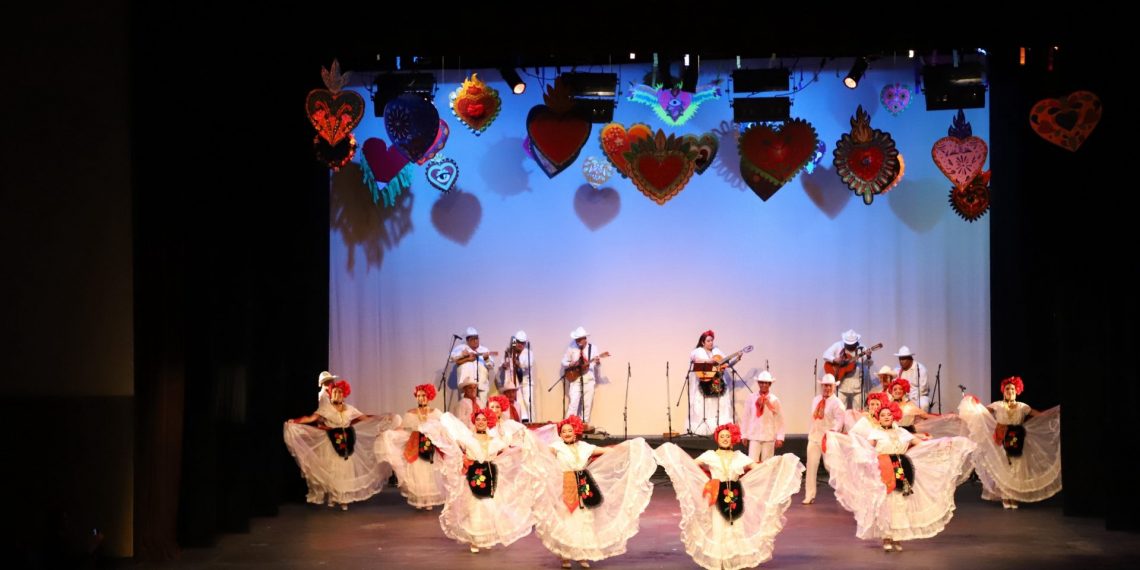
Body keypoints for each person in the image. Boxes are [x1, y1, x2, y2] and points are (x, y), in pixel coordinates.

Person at [823, 402, 975, 552]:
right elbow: (863, 447)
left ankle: (896, 537)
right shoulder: (875, 433)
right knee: (886, 502)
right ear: (879, 418)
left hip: (900, 467)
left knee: (900, 502)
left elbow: (921, 444)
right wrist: (839, 439)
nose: (886, 417)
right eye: (883, 415)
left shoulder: (902, 432)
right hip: (884, 467)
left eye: (889, 414)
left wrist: (942, 443)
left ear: (894, 416)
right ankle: (887, 537)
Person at [654, 423, 804, 570]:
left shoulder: (739, 456)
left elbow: (757, 468)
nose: (725, 439)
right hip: (717, 494)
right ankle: (720, 561)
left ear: (732, 438)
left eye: (727, 436)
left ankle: (735, 560)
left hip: (734, 494)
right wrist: (676, 461)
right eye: (722, 436)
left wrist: (776, 464)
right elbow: (691, 465)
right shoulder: (710, 455)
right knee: (719, 525)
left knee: (735, 526)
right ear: (717, 439)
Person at [533, 415, 656, 569]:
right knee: (567, 520)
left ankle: (582, 555)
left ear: (575, 431)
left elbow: (607, 451)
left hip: (583, 483)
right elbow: (541, 451)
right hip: (567, 485)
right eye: (563, 431)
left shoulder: (584, 447)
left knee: (585, 519)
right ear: (560, 434)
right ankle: (565, 555)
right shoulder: (557, 447)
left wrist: (627, 447)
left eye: (569, 430)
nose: (567, 433)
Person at [419, 408, 540, 554]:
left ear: (488, 421)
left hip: (490, 475)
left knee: (489, 508)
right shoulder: (466, 439)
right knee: (474, 508)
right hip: (472, 476)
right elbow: (452, 442)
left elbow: (508, 450)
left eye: (483, 420)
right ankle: (475, 540)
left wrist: (524, 446)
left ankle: (486, 538)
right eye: (478, 420)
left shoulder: (496, 441)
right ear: (474, 422)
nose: (481, 422)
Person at [284, 380, 396, 510]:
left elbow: (365, 417)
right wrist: (295, 421)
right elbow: (310, 418)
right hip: (331, 443)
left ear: (344, 394)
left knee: (345, 470)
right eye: (335, 392)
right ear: (331, 394)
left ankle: (343, 499)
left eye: (340, 392)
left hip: (347, 442)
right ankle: (334, 496)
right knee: (334, 470)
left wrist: (382, 417)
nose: (337, 394)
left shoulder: (350, 409)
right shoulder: (325, 409)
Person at [958, 376, 1062, 509]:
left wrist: (1054, 413)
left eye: (1012, 389)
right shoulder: (997, 405)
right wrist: (973, 404)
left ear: (1017, 390)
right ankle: (1006, 496)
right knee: (1004, 468)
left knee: (1016, 469)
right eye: (1007, 389)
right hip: (1001, 439)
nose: (1010, 391)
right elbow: (981, 413)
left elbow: (1040, 416)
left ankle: (1013, 496)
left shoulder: (1023, 407)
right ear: (1003, 391)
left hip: (1017, 440)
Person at [378, 383, 445, 510]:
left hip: (430, 446)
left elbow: (443, 428)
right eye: (418, 396)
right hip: (415, 444)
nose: (421, 398)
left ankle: (428, 500)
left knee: (429, 472)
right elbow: (402, 428)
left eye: (423, 395)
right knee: (417, 471)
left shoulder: (436, 413)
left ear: (429, 396)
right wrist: (388, 433)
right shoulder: (410, 413)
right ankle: (419, 499)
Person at [804, 374, 845, 505]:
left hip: (827, 438)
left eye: (829, 386)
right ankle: (809, 495)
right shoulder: (816, 399)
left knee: (830, 466)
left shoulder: (837, 403)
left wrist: (833, 431)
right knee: (811, 466)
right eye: (825, 385)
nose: (827, 388)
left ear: (834, 387)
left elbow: (840, 420)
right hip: (814, 437)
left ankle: (843, 493)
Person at [560, 327, 608, 426]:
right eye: (576, 339)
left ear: (585, 338)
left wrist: (598, 362)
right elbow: (563, 361)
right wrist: (570, 364)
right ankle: (568, 426)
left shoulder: (593, 348)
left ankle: (583, 426)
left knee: (587, 405)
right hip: (575, 379)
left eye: (579, 339)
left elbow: (596, 366)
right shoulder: (571, 347)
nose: (577, 341)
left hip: (589, 379)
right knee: (573, 403)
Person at [689, 330, 732, 435]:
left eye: (712, 340)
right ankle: (703, 429)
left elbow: (726, 364)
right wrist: (709, 361)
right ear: (703, 342)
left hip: (716, 382)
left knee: (717, 407)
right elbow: (695, 360)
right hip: (704, 383)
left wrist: (737, 359)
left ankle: (718, 429)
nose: (711, 343)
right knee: (705, 407)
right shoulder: (698, 351)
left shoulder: (717, 351)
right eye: (708, 341)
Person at [823, 329, 875, 411]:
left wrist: (868, 357)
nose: (850, 346)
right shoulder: (838, 345)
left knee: (857, 411)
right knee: (840, 410)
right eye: (848, 344)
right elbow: (825, 355)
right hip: (842, 384)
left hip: (857, 385)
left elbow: (868, 364)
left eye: (852, 344)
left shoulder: (862, 348)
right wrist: (835, 360)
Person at [740, 370, 784, 462]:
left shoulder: (774, 399)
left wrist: (780, 437)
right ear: (758, 383)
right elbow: (746, 416)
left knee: (767, 463)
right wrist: (744, 434)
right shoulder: (751, 398)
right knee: (752, 461)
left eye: (766, 383)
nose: (764, 385)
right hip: (754, 435)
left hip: (769, 435)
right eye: (761, 382)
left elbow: (779, 419)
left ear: (770, 384)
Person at [498, 330, 534, 422]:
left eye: (522, 343)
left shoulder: (528, 353)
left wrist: (518, 363)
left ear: (525, 343)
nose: (520, 344)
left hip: (525, 382)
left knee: (528, 403)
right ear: (515, 341)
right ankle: (518, 421)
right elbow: (501, 364)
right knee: (516, 403)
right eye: (518, 342)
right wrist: (504, 365)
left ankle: (532, 422)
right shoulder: (510, 352)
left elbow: (528, 364)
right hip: (514, 383)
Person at [451, 326, 495, 402]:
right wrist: (462, 355)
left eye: (477, 338)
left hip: (481, 386)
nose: (475, 341)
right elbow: (451, 359)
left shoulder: (484, 350)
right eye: (472, 339)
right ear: (467, 340)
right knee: (466, 406)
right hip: (466, 386)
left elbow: (491, 366)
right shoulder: (461, 348)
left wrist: (486, 359)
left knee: (482, 407)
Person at [893, 346, 930, 410]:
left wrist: (910, 400)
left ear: (910, 358)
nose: (901, 361)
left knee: (923, 404)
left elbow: (923, 390)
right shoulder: (898, 369)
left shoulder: (920, 369)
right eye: (900, 359)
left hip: (918, 397)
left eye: (903, 359)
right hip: (902, 397)